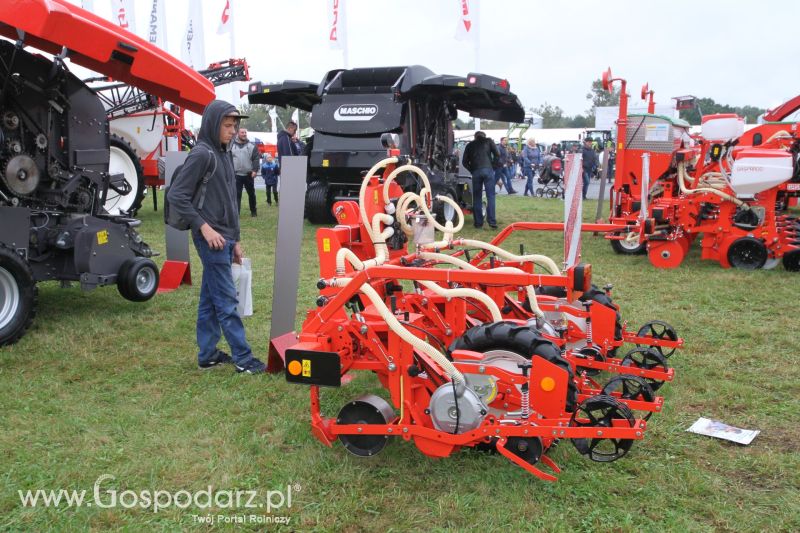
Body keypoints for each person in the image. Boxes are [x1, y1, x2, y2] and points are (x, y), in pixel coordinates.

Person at [167, 100, 266, 374]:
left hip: (225, 238)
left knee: (210, 300)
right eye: (227, 125)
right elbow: (177, 195)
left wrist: (236, 241)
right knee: (226, 301)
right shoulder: (202, 154)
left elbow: (229, 204)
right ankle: (244, 360)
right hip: (210, 239)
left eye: (235, 125)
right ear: (213, 123)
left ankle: (207, 354)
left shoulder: (225, 153)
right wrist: (203, 227)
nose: (233, 130)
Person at [462, 131, 500, 229]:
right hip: (488, 170)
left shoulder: (470, 145)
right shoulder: (489, 141)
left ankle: (478, 223)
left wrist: (472, 170)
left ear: (475, 137)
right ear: (484, 136)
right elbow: (497, 154)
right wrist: (493, 166)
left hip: (476, 171)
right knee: (490, 196)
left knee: (477, 197)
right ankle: (492, 222)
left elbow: (464, 162)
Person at [231, 128, 260, 217]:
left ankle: (253, 211)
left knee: (251, 194)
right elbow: (227, 159)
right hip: (236, 175)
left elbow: (256, 158)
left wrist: (255, 170)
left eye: (245, 132)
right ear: (237, 134)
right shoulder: (231, 145)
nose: (244, 134)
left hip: (249, 174)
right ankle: (236, 214)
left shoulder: (252, 146)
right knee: (236, 195)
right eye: (242, 132)